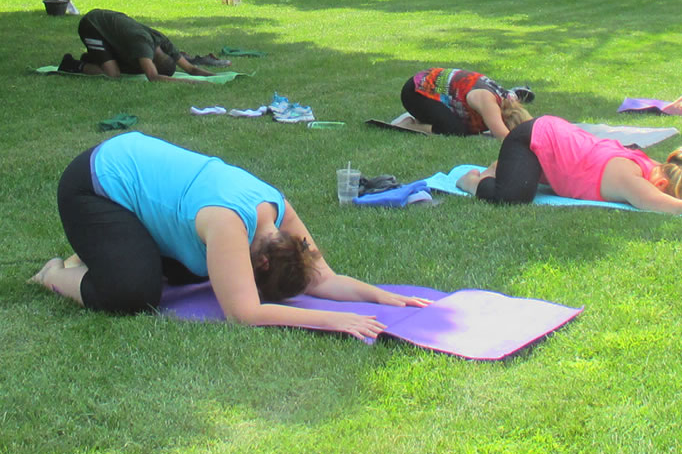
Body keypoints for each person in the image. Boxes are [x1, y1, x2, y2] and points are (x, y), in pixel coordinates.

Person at [32, 132, 431, 339]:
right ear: (258, 262)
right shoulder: (227, 224)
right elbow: (244, 313)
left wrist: (379, 296)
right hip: (94, 184)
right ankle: (54, 273)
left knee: (193, 271)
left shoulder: (279, 210)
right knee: (133, 294)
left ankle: (103, 253)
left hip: (139, 181)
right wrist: (332, 320)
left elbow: (322, 276)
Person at [456, 115, 682, 216]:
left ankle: (506, 166)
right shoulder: (631, 178)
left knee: (532, 184)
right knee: (512, 197)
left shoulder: (660, 168)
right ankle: (477, 178)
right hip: (532, 139)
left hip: (556, 146)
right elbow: (679, 206)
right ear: (661, 184)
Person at [59, 8, 216, 83]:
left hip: (111, 27)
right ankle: (72, 64)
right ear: (153, 62)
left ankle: (95, 58)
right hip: (93, 25)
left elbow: (191, 69)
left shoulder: (163, 43)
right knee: (112, 74)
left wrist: (215, 78)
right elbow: (153, 77)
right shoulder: (143, 47)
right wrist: (191, 82)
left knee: (126, 66)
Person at [400, 67, 534, 140]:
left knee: (467, 125)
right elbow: (505, 137)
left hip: (430, 81)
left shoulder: (505, 99)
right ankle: (410, 125)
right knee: (456, 130)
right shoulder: (489, 103)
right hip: (416, 92)